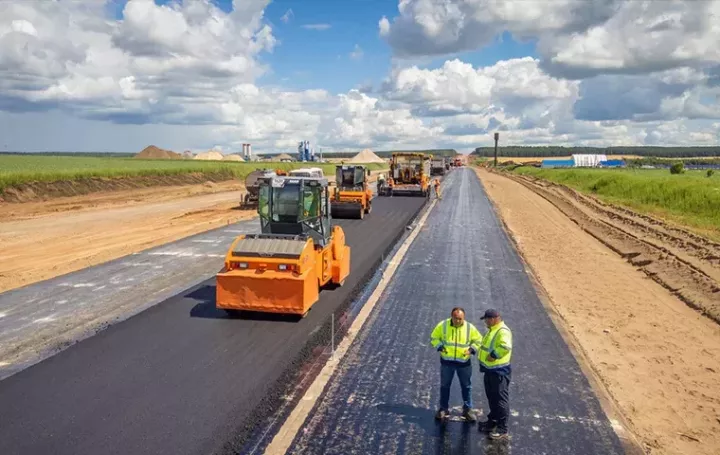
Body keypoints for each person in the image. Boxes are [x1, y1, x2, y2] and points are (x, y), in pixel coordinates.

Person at [430, 307, 482, 421]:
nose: (458, 321)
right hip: (447, 362)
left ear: (464, 318)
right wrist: (439, 346)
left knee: (466, 386)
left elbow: (478, 340)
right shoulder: (443, 325)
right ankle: (443, 408)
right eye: (455, 318)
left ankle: (467, 409)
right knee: (445, 386)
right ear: (451, 317)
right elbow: (434, 337)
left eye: (460, 319)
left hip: (464, 363)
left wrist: (471, 350)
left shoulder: (469, 328)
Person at [477, 309, 513, 440]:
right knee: (492, 398)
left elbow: (505, 346)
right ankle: (492, 421)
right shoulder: (493, 330)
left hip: (499, 372)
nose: (485, 322)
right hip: (489, 370)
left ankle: (502, 428)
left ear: (493, 319)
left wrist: (494, 355)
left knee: (500, 400)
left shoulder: (502, 331)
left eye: (486, 319)